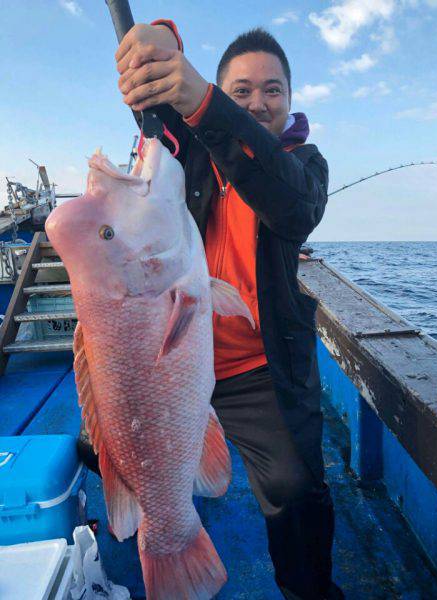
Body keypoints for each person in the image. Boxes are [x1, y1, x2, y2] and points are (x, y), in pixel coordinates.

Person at [78, 19, 344, 600]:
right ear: (220, 92)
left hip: (256, 371)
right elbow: (158, 116)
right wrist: (163, 43)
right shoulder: (191, 153)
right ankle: (139, 513)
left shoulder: (305, 167)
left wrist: (209, 102)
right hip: (168, 362)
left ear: (291, 99)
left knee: (295, 489)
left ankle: (310, 592)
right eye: (241, 90)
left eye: (273, 89)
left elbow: (292, 205)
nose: (259, 101)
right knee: (92, 445)